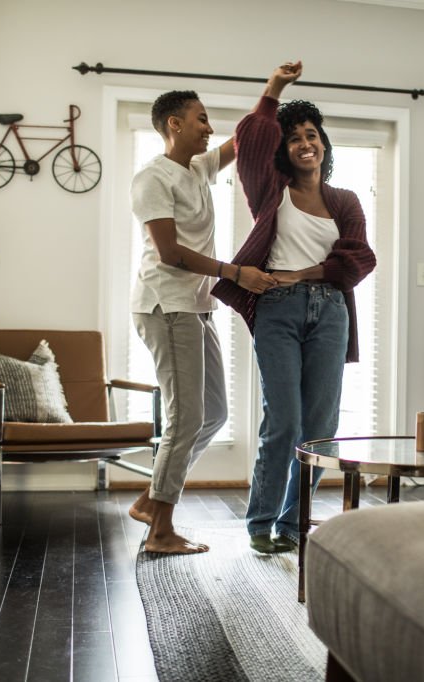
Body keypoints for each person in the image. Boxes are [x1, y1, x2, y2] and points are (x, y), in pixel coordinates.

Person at [213, 62, 377, 553]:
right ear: (284, 151)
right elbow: (251, 139)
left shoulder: (344, 200)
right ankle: (260, 521)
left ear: (323, 144)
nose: (305, 143)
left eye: (312, 135)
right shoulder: (271, 192)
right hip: (277, 312)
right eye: (294, 138)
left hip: (330, 313)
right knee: (282, 420)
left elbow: (357, 261)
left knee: (321, 427)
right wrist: (275, 89)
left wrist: (304, 274)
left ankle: (292, 524)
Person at [128, 90, 276, 554]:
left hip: (195, 307)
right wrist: (234, 273)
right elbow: (170, 254)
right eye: (201, 119)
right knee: (186, 417)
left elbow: (242, 141)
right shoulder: (153, 178)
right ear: (174, 124)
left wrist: (273, 90)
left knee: (213, 414)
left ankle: (152, 499)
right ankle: (161, 532)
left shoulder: (196, 168)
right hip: (166, 305)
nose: (209, 128)